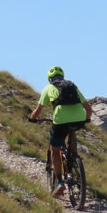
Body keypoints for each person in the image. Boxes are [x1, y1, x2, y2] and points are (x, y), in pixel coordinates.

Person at [28, 65, 88, 197]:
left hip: (60, 120)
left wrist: (32, 118)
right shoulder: (72, 87)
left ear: (50, 79)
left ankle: (60, 183)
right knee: (72, 130)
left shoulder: (48, 88)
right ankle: (73, 157)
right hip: (79, 118)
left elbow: (38, 111)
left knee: (55, 149)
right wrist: (86, 119)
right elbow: (88, 108)